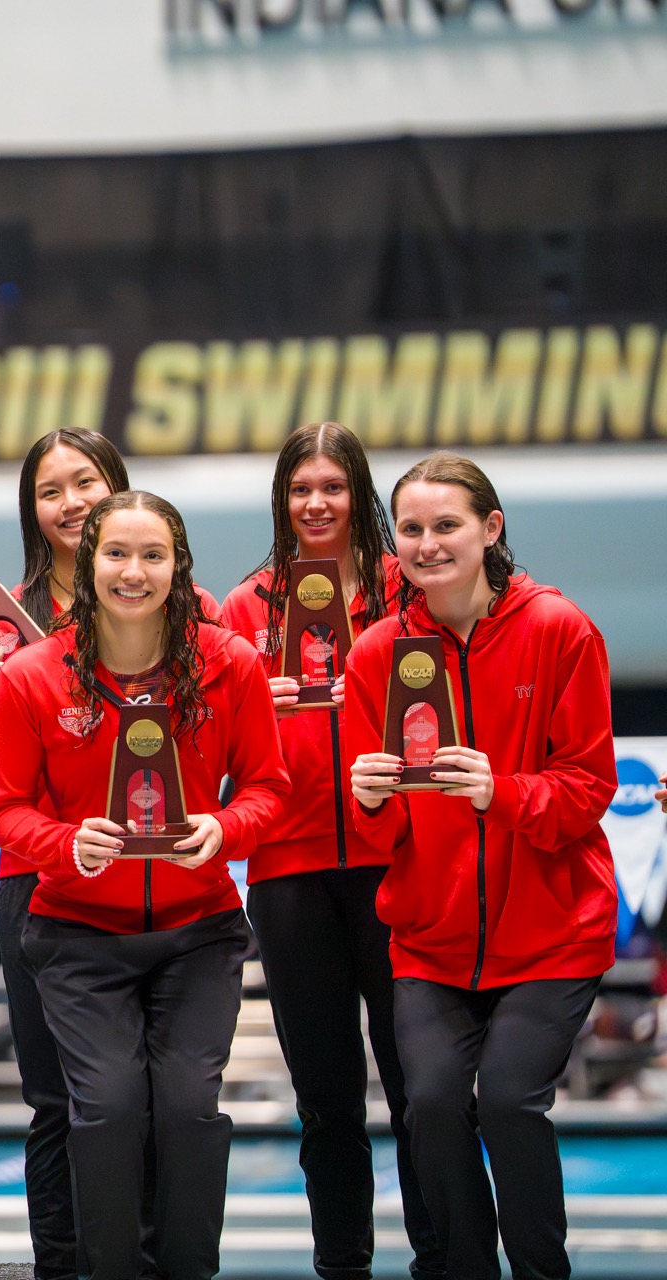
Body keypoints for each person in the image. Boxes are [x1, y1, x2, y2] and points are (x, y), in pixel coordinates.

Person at [0, 491, 289, 1280]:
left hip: (198, 931)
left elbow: (268, 787)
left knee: (186, 1108)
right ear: (88, 563)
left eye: (154, 555)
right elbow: (4, 808)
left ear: (179, 566)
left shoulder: (230, 663)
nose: (133, 572)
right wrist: (63, 843)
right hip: (78, 934)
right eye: (116, 553)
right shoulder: (33, 674)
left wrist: (226, 828)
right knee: (110, 1110)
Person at [346, 452, 615, 1280]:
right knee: (428, 1104)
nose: (428, 545)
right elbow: (378, 831)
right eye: (412, 530)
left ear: (490, 529)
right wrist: (369, 799)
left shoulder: (559, 629)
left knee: (506, 1099)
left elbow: (588, 788)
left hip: (554, 934)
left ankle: (541, 1271)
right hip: (431, 941)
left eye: (447, 525)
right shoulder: (377, 654)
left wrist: (503, 792)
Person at [0, 428, 212, 1280]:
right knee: (57, 1101)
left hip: (159, 888)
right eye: (49, 491)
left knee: (155, 1100)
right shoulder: (4, 620)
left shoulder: (185, 606)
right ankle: (64, 1267)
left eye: (86, 482)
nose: (70, 503)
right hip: (40, 886)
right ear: (31, 509)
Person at [217, 422, 438, 1280]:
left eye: (333, 487)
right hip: (288, 870)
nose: (316, 504)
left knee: (422, 1088)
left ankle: (442, 1257)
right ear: (281, 499)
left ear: (360, 494)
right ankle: (341, 1264)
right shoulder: (246, 608)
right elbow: (208, 749)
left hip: (399, 861)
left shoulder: (407, 591)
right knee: (325, 1098)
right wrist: (251, 710)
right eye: (300, 488)